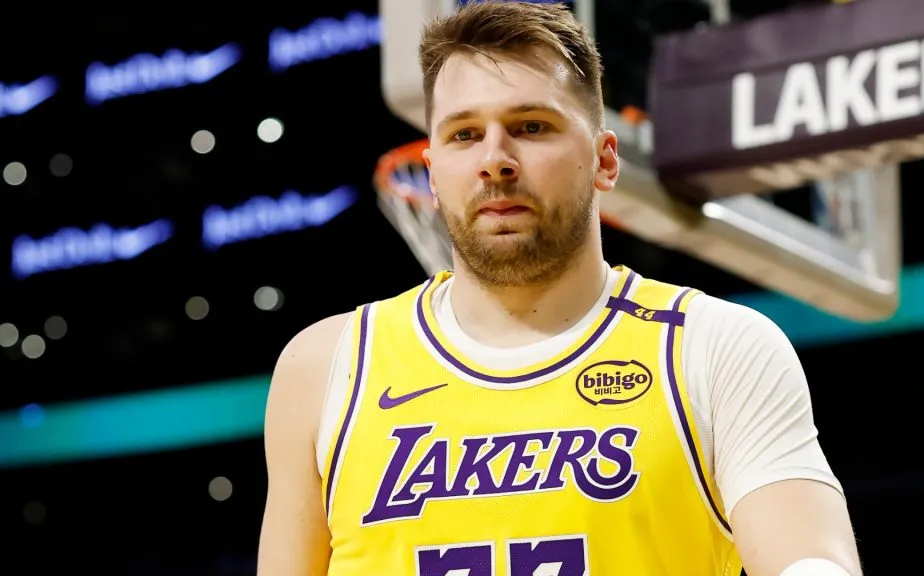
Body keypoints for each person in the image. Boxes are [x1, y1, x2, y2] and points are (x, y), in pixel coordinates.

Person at [257, 2, 861, 575]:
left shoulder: (715, 347)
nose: (496, 159)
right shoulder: (326, 367)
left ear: (604, 160)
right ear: (433, 173)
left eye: (531, 126)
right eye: (464, 135)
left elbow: (809, 556)